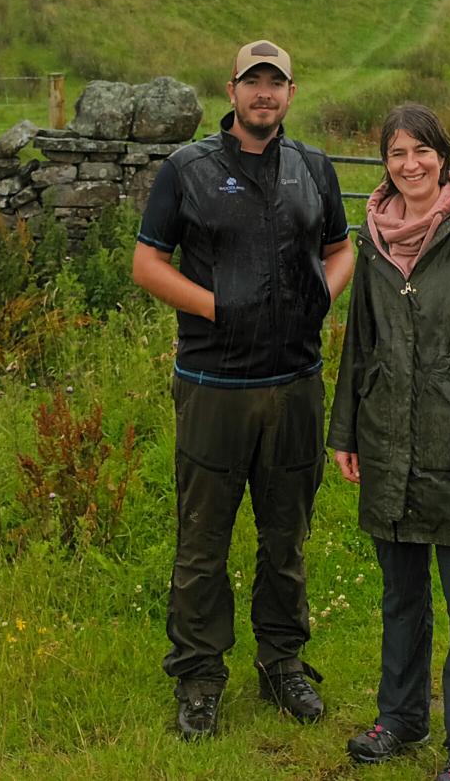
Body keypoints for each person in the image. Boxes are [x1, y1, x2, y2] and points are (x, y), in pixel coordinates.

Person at [131, 38, 355, 741]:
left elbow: (342, 248)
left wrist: (323, 292)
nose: (264, 93)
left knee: (286, 535)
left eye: (276, 82)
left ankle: (282, 663)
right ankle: (198, 678)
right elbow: (146, 261)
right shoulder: (187, 170)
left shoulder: (313, 167)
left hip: (294, 385)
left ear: (291, 93)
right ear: (231, 91)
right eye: (252, 81)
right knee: (202, 541)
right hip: (213, 386)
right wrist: (214, 307)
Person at [328, 104, 450, 781]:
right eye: (396, 153)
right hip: (387, 444)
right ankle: (402, 719)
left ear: (444, 156)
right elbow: (361, 343)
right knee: (400, 595)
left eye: (422, 151)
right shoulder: (374, 238)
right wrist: (346, 431)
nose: (410, 165)